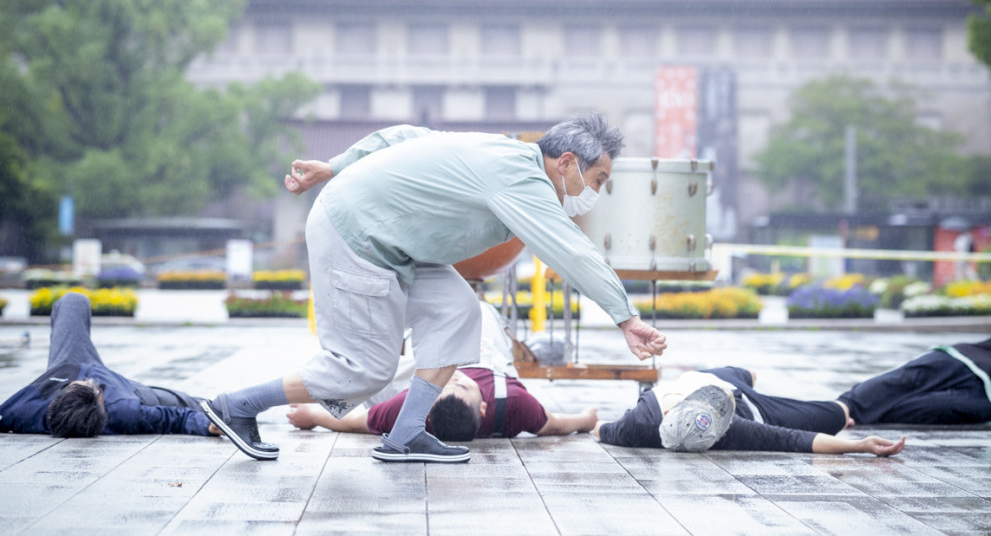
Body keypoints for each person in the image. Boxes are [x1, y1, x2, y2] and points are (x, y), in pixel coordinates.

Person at [202, 114, 667, 462]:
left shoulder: (500, 149)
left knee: (458, 312)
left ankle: (404, 435)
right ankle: (238, 405)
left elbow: (406, 137)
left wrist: (337, 165)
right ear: (566, 162)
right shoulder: (524, 178)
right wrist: (626, 317)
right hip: (357, 235)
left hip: (392, 242)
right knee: (364, 370)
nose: (595, 193)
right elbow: (571, 250)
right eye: (598, 179)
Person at [286, 302, 597, 440]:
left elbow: (360, 422)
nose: (454, 378)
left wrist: (312, 416)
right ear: (484, 405)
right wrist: (587, 419)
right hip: (487, 356)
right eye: (460, 387)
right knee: (478, 310)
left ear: (426, 414)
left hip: (427, 366)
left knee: (380, 372)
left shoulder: (414, 406)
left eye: (444, 388)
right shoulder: (516, 406)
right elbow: (555, 425)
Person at [0, 292, 220, 438]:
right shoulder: (125, 411)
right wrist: (208, 424)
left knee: (73, 301)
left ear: (53, 402)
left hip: (67, 363)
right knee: (189, 403)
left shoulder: (25, 412)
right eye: (94, 388)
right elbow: (173, 419)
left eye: (81, 385)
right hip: (125, 388)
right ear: (103, 402)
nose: (90, 381)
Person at [595, 367, 905, 456]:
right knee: (838, 412)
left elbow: (598, 428)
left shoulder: (635, 424)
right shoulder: (730, 428)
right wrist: (859, 446)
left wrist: (588, 422)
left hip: (722, 380)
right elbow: (797, 439)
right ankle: (846, 412)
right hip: (753, 408)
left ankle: (745, 384)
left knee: (750, 374)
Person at [838, 324, 991, 426]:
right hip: (978, 355)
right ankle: (838, 410)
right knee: (904, 379)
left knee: (929, 408)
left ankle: (851, 417)